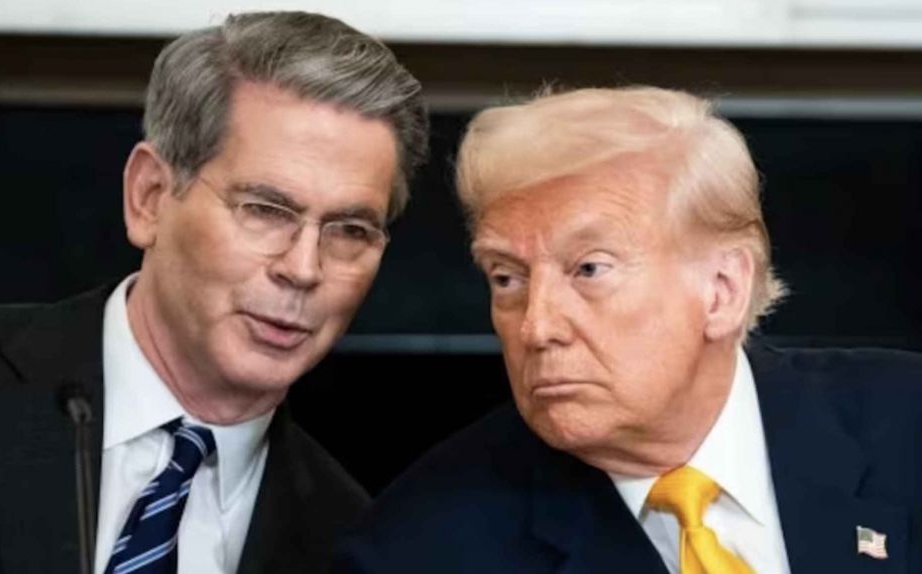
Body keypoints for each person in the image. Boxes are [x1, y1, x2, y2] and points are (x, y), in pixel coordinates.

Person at [333, 87, 922, 573]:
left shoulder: (905, 423)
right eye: (507, 278)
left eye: (589, 270)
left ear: (723, 289)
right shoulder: (420, 550)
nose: (536, 327)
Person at [0, 11, 427, 574]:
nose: (303, 268)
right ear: (150, 197)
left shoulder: (356, 545)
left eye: (350, 231)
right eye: (265, 210)